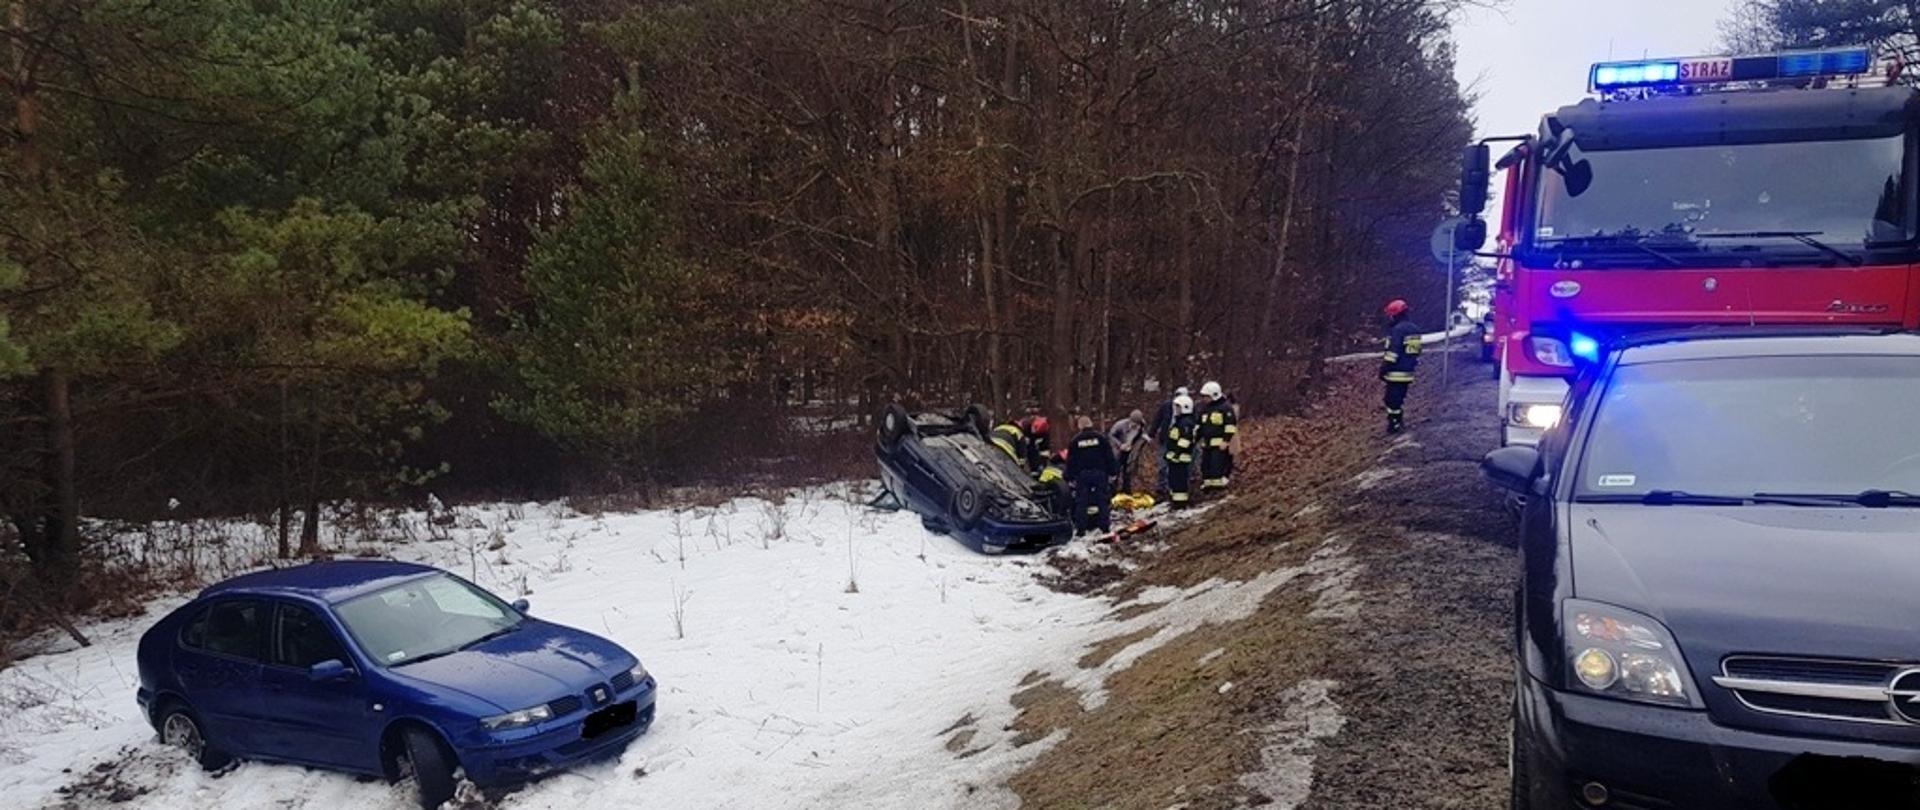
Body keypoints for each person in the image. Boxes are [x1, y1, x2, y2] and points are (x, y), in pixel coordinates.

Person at [1065, 416, 1119, 534]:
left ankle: (1081, 529)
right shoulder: (1101, 438)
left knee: (1082, 502)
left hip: (1082, 475)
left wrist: (1069, 477)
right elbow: (1109, 456)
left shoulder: (1075, 441)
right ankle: (1104, 527)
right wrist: (1113, 472)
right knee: (1102, 500)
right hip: (1100, 473)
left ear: (1080, 426)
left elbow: (1071, 461)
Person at [1380, 299, 1422, 434]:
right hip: (1408, 371)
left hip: (1395, 371)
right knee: (1398, 397)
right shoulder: (1414, 329)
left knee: (1391, 399)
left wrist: (1384, 368)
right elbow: (1415, 351)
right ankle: (1397, 421)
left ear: (1395, 314)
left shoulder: (1398, 330)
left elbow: (1393, 352)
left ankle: (1395, 423)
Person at [1196, 380, 1237, 492]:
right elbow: (1200, 426)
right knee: (1205, 466)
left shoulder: (1225, 408)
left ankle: (1218, 488)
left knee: (1217, 465)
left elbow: (1230, 426)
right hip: (1207, 444)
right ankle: (1208, 486)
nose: (1204, 399)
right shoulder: (1204, 409)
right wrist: (1194, 439)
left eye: (1207, 396)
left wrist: (1226, 440)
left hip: (1219, 444)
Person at [1149, 386, 1188, 496]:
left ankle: (1173, 486)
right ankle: (1162, 486)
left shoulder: (1188, 408)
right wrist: (1150, 435)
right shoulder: (1166, 406)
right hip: (1165, 438)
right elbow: (1157, 420)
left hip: (1178, 440)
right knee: (1162, 463)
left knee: (1175, 464)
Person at [1163, 394, 1198, 508]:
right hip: (1175, 458)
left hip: (1181, 458)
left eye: (1178, 407)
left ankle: (1180, 503)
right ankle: (1175, 500)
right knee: (1173, 479)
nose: (1176, 410)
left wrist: (1177, 453)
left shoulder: (1186, 423)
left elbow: (1185, 440)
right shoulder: (1179, 421)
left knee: (1179, 481)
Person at [1106, 409, 1146, 493]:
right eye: (1134, 424)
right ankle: (1112, 491)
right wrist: (1120, 445)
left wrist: (1134, 447)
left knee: (1127, 472)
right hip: (1117, 451)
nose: (1135, 426)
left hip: (1129, 452)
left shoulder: (1141, 427)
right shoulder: (1120, 425)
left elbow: (1140, 438)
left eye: (1137, 424)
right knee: (1115, 472)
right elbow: (1110, 436)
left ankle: (1126, 491)